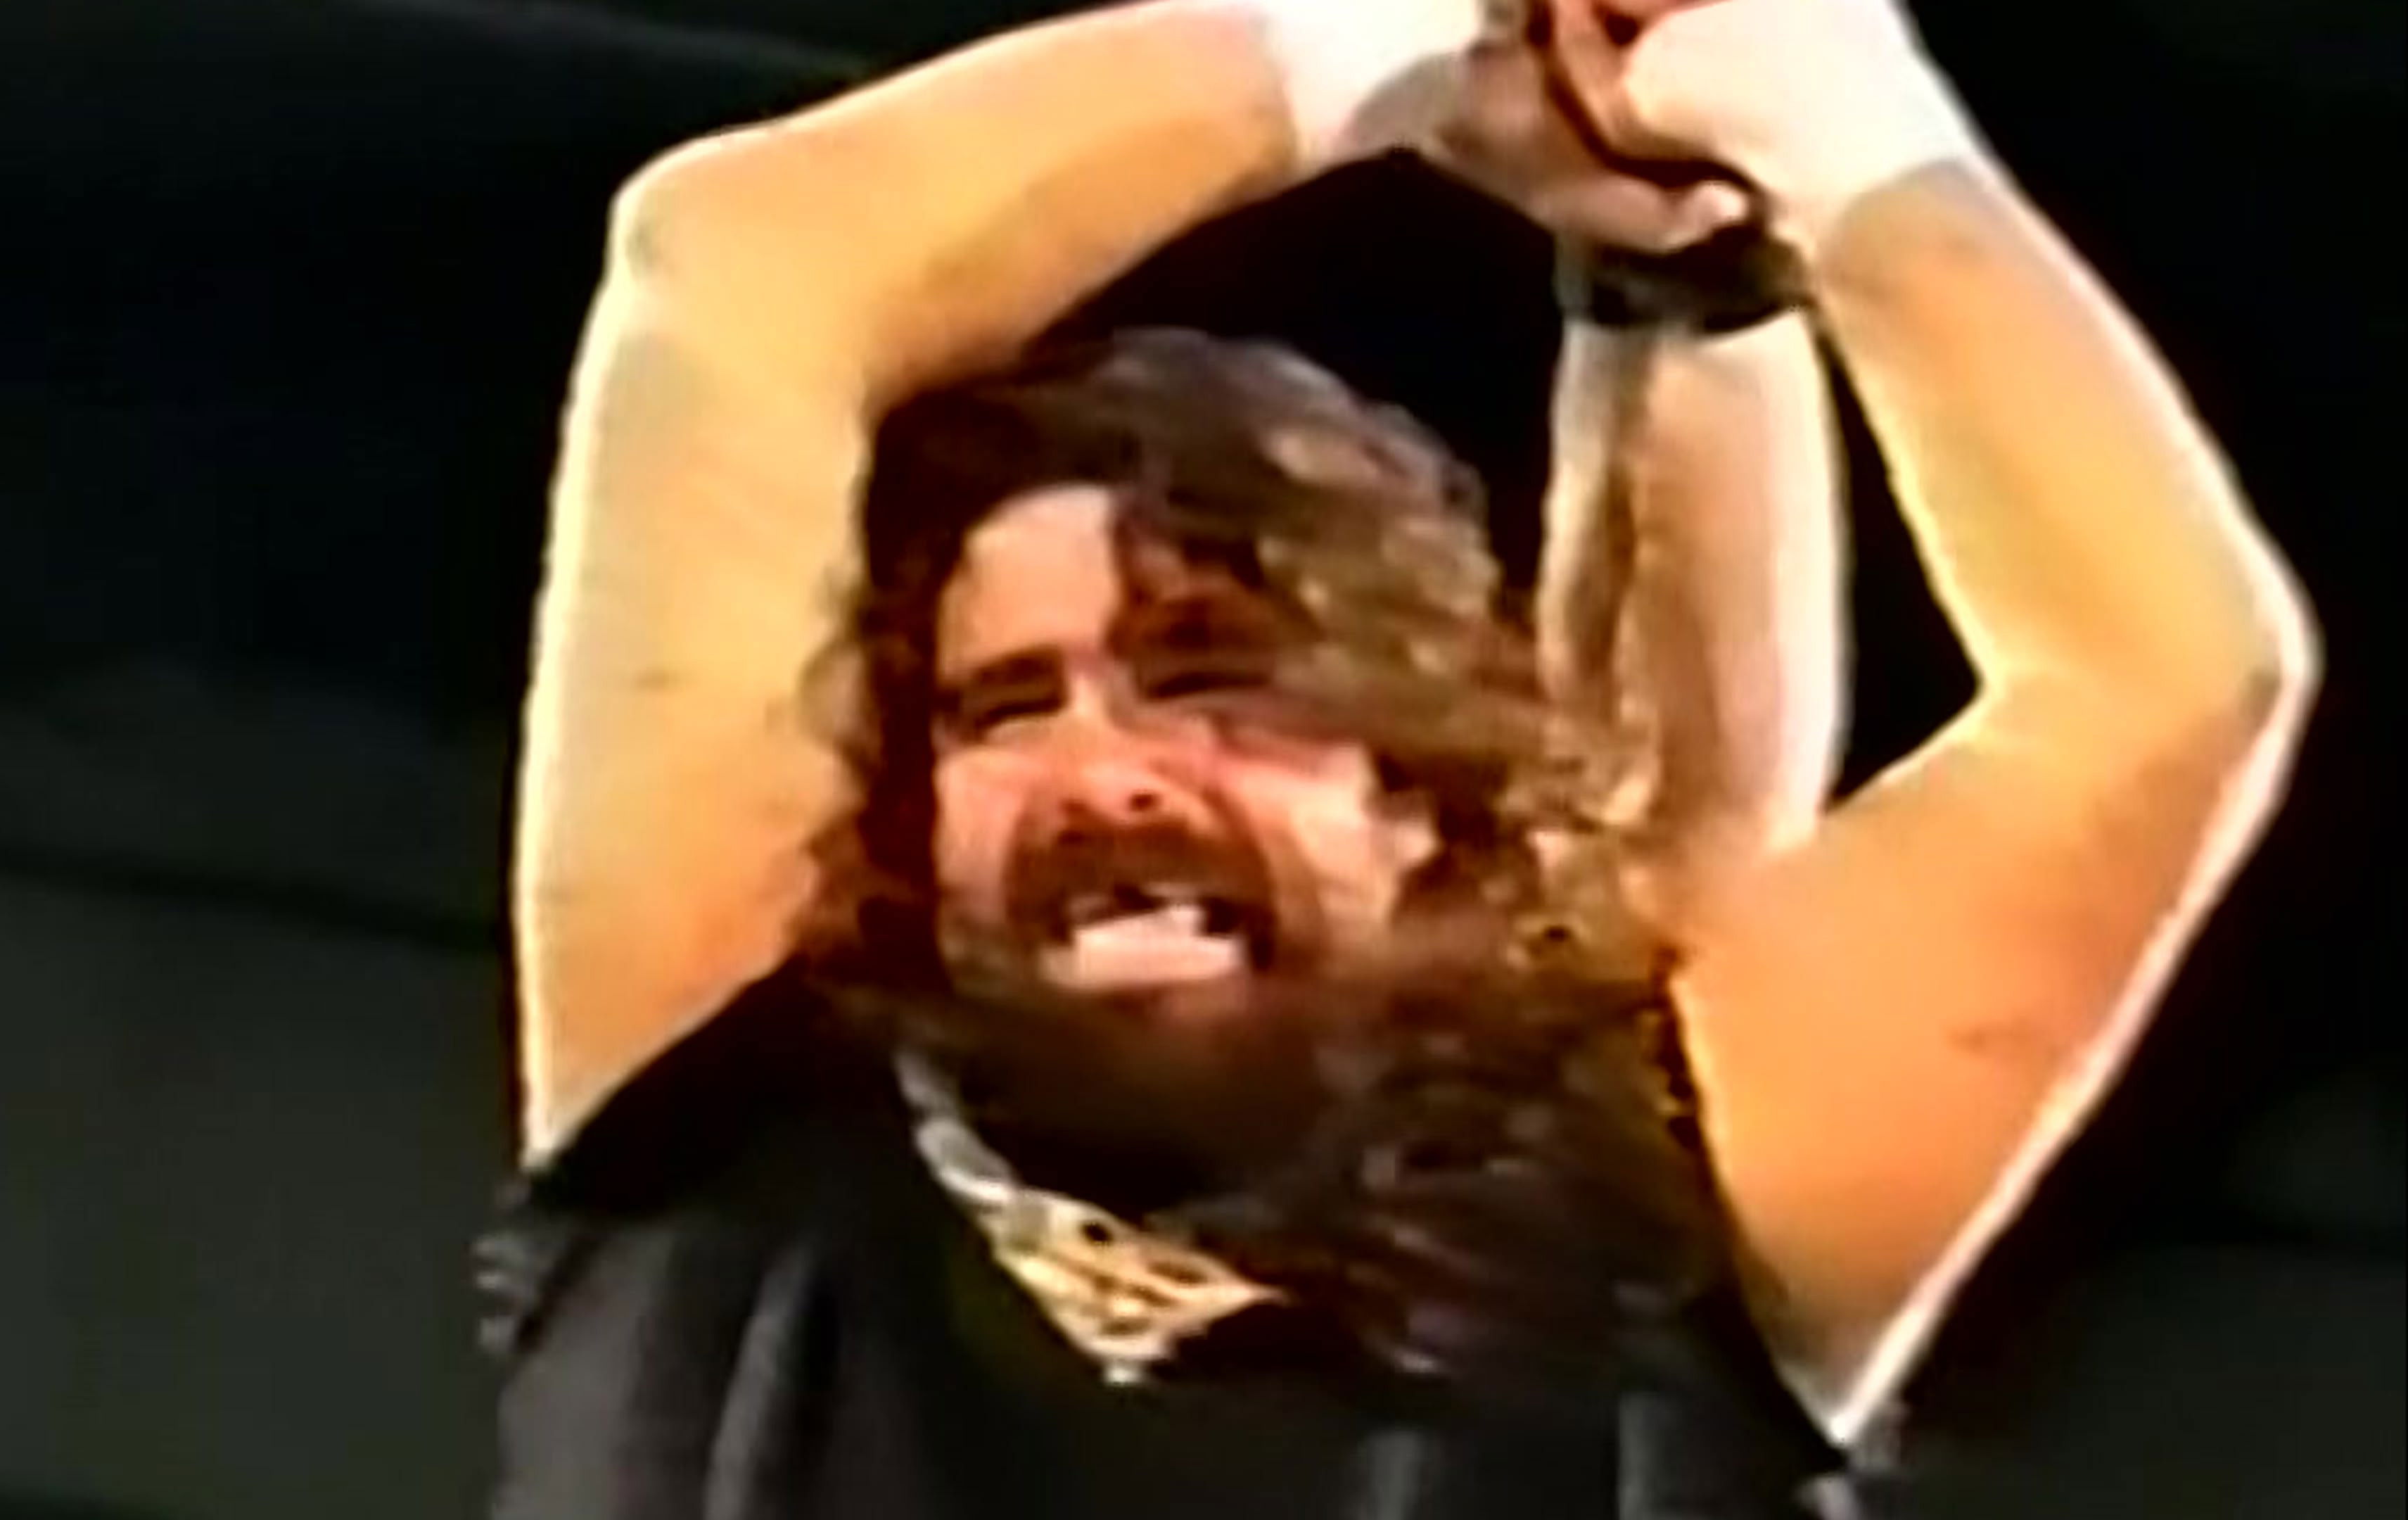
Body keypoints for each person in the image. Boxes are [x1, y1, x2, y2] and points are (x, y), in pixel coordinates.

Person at [479, 0, 2319, 1515]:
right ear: (901, 821)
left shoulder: (1654, 1259)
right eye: (1005, 708)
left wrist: (1817, 116)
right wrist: (1408, 28)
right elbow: (738, 266)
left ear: (1419, 804)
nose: (1110, 775)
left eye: (1216, 684)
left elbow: (2160, 685)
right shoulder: (717, 1164)